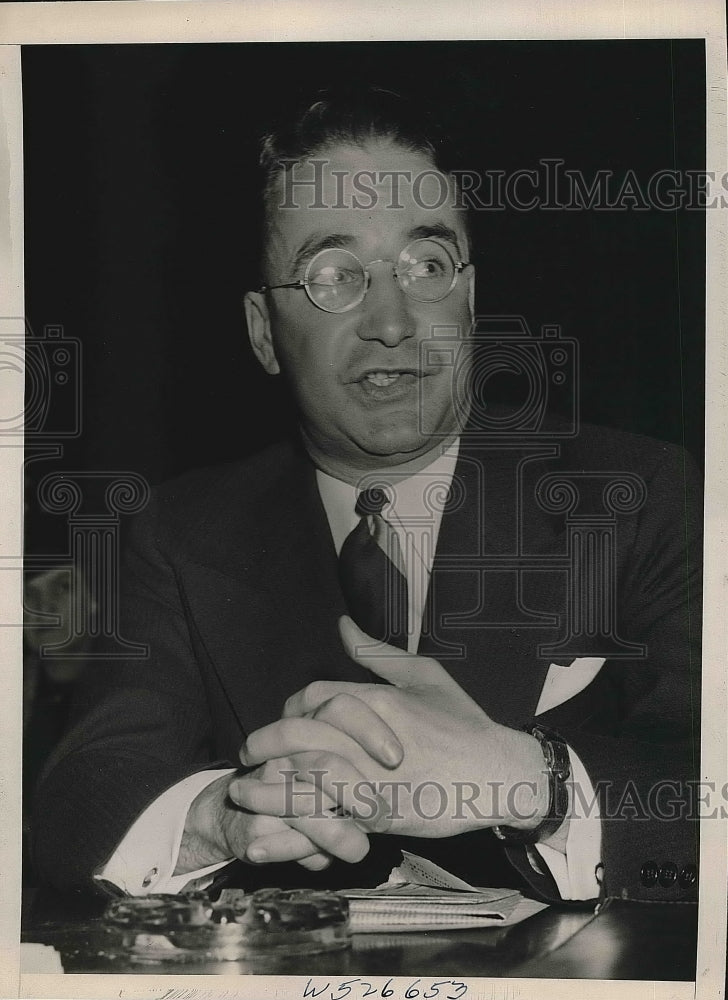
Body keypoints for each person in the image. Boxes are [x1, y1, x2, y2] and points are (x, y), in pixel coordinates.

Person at [33, 88, 702, 905]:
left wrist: (531, 780)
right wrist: (219, 815)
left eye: (427, 265)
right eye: (333, 274)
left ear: (471, 299)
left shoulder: (647, 495)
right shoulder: (176, 535)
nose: (393, 319)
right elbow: (83, 794)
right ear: (261, 332)